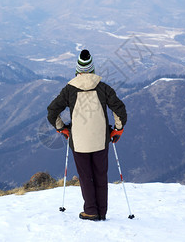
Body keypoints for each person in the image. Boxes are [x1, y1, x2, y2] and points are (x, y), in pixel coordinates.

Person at [47, 49, 127, 221]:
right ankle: (102, 212)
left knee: (85, 176)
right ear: (92, 69)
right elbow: (119, 109)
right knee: (100, 175)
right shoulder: (103, 88)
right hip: (101, 140)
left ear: (77, 70)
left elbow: (52, 112)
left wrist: (63, 129)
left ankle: (90, 210)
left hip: (79, 142)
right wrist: (117, 130)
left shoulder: (69, 90)